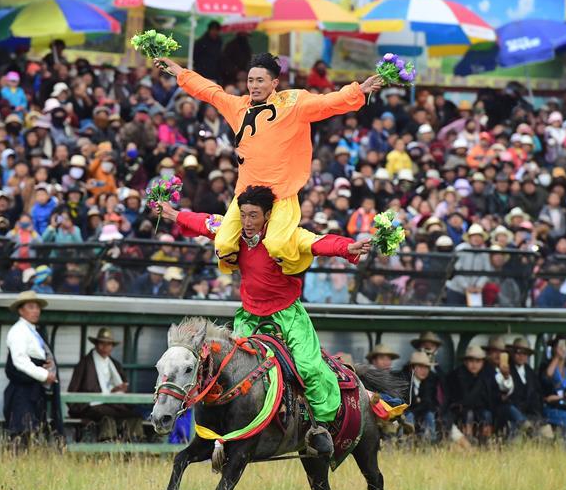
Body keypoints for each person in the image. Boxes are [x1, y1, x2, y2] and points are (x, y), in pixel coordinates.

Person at [155, 185, 371, 456]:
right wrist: (172, 213)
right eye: (243, 214)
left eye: (253, 216)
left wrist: (348, 247)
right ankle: (226, 436)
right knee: (230, 370)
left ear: (268, 215)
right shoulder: (232, 233)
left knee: (309, 368)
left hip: (288, 316)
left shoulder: (287, 237)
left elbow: (317, 242)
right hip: (249, 317)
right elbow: (203, 222)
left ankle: (320, 428)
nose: (247, 222)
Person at [156, 53, 382, 276]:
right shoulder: (238, 107)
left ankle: (289, 266)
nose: (253, 86)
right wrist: (178, 70)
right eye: (250, 80)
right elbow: (209, 92)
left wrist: (358, 90)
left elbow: (326, 103)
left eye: (260, 80)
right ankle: (247, 262)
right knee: (223, 245)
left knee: (276, 244)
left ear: (274, 83)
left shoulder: (293, 104)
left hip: (281, 193)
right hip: (246, 194)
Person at [3, 291, 63, 446]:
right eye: (31, 307)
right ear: (21, 310)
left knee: (34, 431)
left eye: (37, 307)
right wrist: (44, 374)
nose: (36, 311)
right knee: (22, 430)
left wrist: (46, 365)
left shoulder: (32, 330)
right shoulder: (18, 331)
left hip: (33, 389)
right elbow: (20, 360)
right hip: (22, 390)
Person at [66, 328, 143, 442]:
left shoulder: (115, 364)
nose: (105, 347)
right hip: (91, 405)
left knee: (135, 416)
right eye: (102, 343)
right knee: (107, 417)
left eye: (109, 344)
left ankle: (135, 447)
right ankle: (107, 446)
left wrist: (119, 390)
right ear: (96, 344)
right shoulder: (85, 363)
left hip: (114, 404)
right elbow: (72, 391)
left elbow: (122, 386)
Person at [445, 345, 494, 444]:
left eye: (478, 361)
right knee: (469, 413)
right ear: (465, 362)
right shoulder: (457, 375)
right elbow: (463, 399)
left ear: (483, 363)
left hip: (480, 408)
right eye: (471, 361)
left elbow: (490, 399)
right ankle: (468, 440)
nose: (474, 365)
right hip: (461, 410)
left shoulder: (487, 376)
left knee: (487, 414)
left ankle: (485, 442)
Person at [505, 337, 552, 439]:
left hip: (532, 413)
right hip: (515, 412)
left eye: (525, 353)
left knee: (548, 433)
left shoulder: (530, 372)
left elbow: (537, 393)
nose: (521, 356)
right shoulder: (507, 370)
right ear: (512, 353)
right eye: (518, 352)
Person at [399, 350, 440, 443]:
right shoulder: (404, 380)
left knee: (429, 414)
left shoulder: (429, 381)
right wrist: (418, 402)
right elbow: (405, 404)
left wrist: (418, 403)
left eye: (427, 368)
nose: (424, 371)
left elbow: (429, 403)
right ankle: (406, 444)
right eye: (420, 367)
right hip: (405, 414)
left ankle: (430, 443)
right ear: (412, 368)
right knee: (409, 416)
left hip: (422, 413)